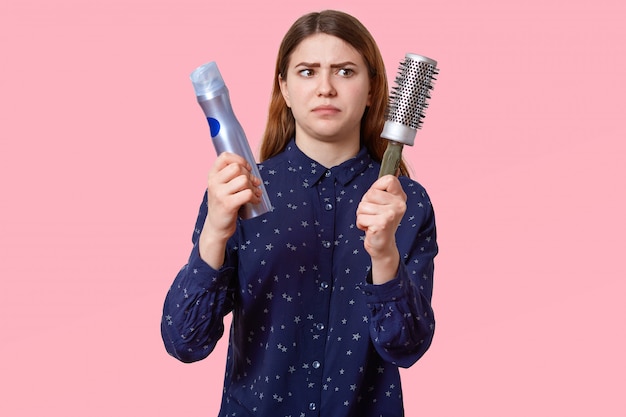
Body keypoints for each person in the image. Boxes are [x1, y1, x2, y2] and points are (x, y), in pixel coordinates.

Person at [161, 9, 438, 417]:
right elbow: (185, 342)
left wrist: (384, 256)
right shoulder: (239, 193)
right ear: (285, 89)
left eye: (345, 71)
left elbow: (407, 347)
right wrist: (214, 234)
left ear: (372, 89)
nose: (325, 88)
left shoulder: (406, 203)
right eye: (308, 72)